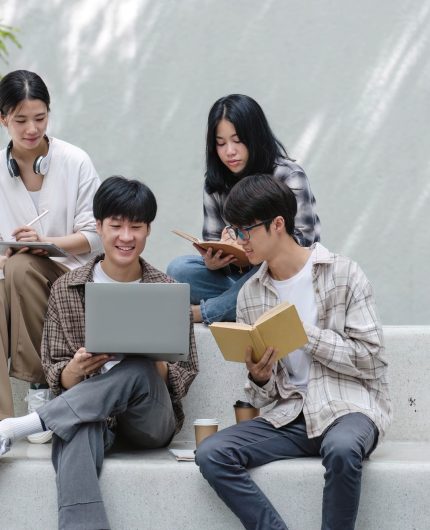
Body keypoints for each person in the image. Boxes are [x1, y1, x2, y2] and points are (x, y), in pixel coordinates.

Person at [0, 175, 199, 529]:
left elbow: (186, 372)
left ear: (148, 230)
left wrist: (157, 364)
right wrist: (75, 370)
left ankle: (30, 424)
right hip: (91, 417)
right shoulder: (66, 288)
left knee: (138, 370)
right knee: (76, 426)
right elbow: (54, 370)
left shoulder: (167, 289)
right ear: (98, 226)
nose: (126, 236)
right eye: (116, 225)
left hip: (150, 420)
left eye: (136, 227)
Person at [195, 174, 392, 530]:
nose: (239, 243)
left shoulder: (342, 273)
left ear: (278, 225)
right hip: (291, 416)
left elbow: (372, 361)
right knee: (211, 453)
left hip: (347, 408)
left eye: (246, 231)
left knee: (344, 449)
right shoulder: (250, 295)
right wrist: (260, 376)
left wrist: (307, 335)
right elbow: (262, 395)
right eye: (234, 231)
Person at [0, 69, 102, 441]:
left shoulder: (74, 161)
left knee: (24, 266)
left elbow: (96, 237)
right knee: (13, 272)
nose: (32, 129)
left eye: (40, 119)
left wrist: (47, 241)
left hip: (71, 278)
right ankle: (2, 423)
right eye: (21, 120)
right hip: (11, 278)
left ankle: (40, 387)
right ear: (3, 119)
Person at [167, 94, 320, 324]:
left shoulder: (288, 175)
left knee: (264, 273)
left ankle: (206, 312)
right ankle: (246, 304)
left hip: (282, 272)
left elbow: (304, 242)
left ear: (255, 137)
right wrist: (214, 259)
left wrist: (256, 241)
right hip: (237, 275)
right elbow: (212, 238)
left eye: (237, 140)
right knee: (180, 269)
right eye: (220, 143)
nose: (229, 151)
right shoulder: (215, 184)